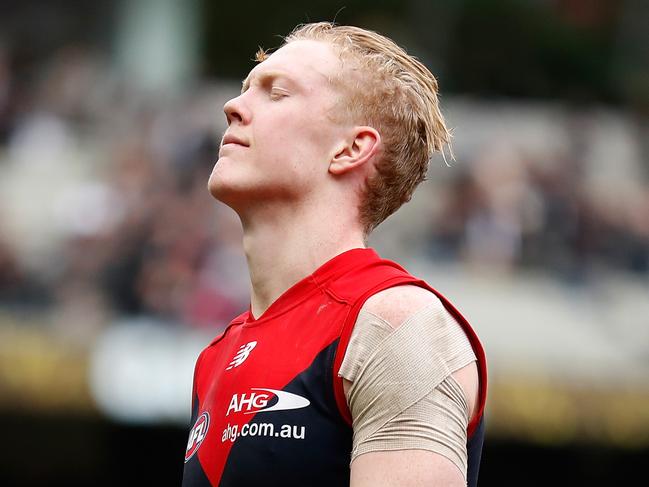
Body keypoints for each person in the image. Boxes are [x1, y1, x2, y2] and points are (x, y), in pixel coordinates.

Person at [182, 22, 487, 487]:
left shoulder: (395, 325)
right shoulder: (216, 356)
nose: (232, 106)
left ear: (350, 148)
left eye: (276, 92)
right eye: (245, 89)